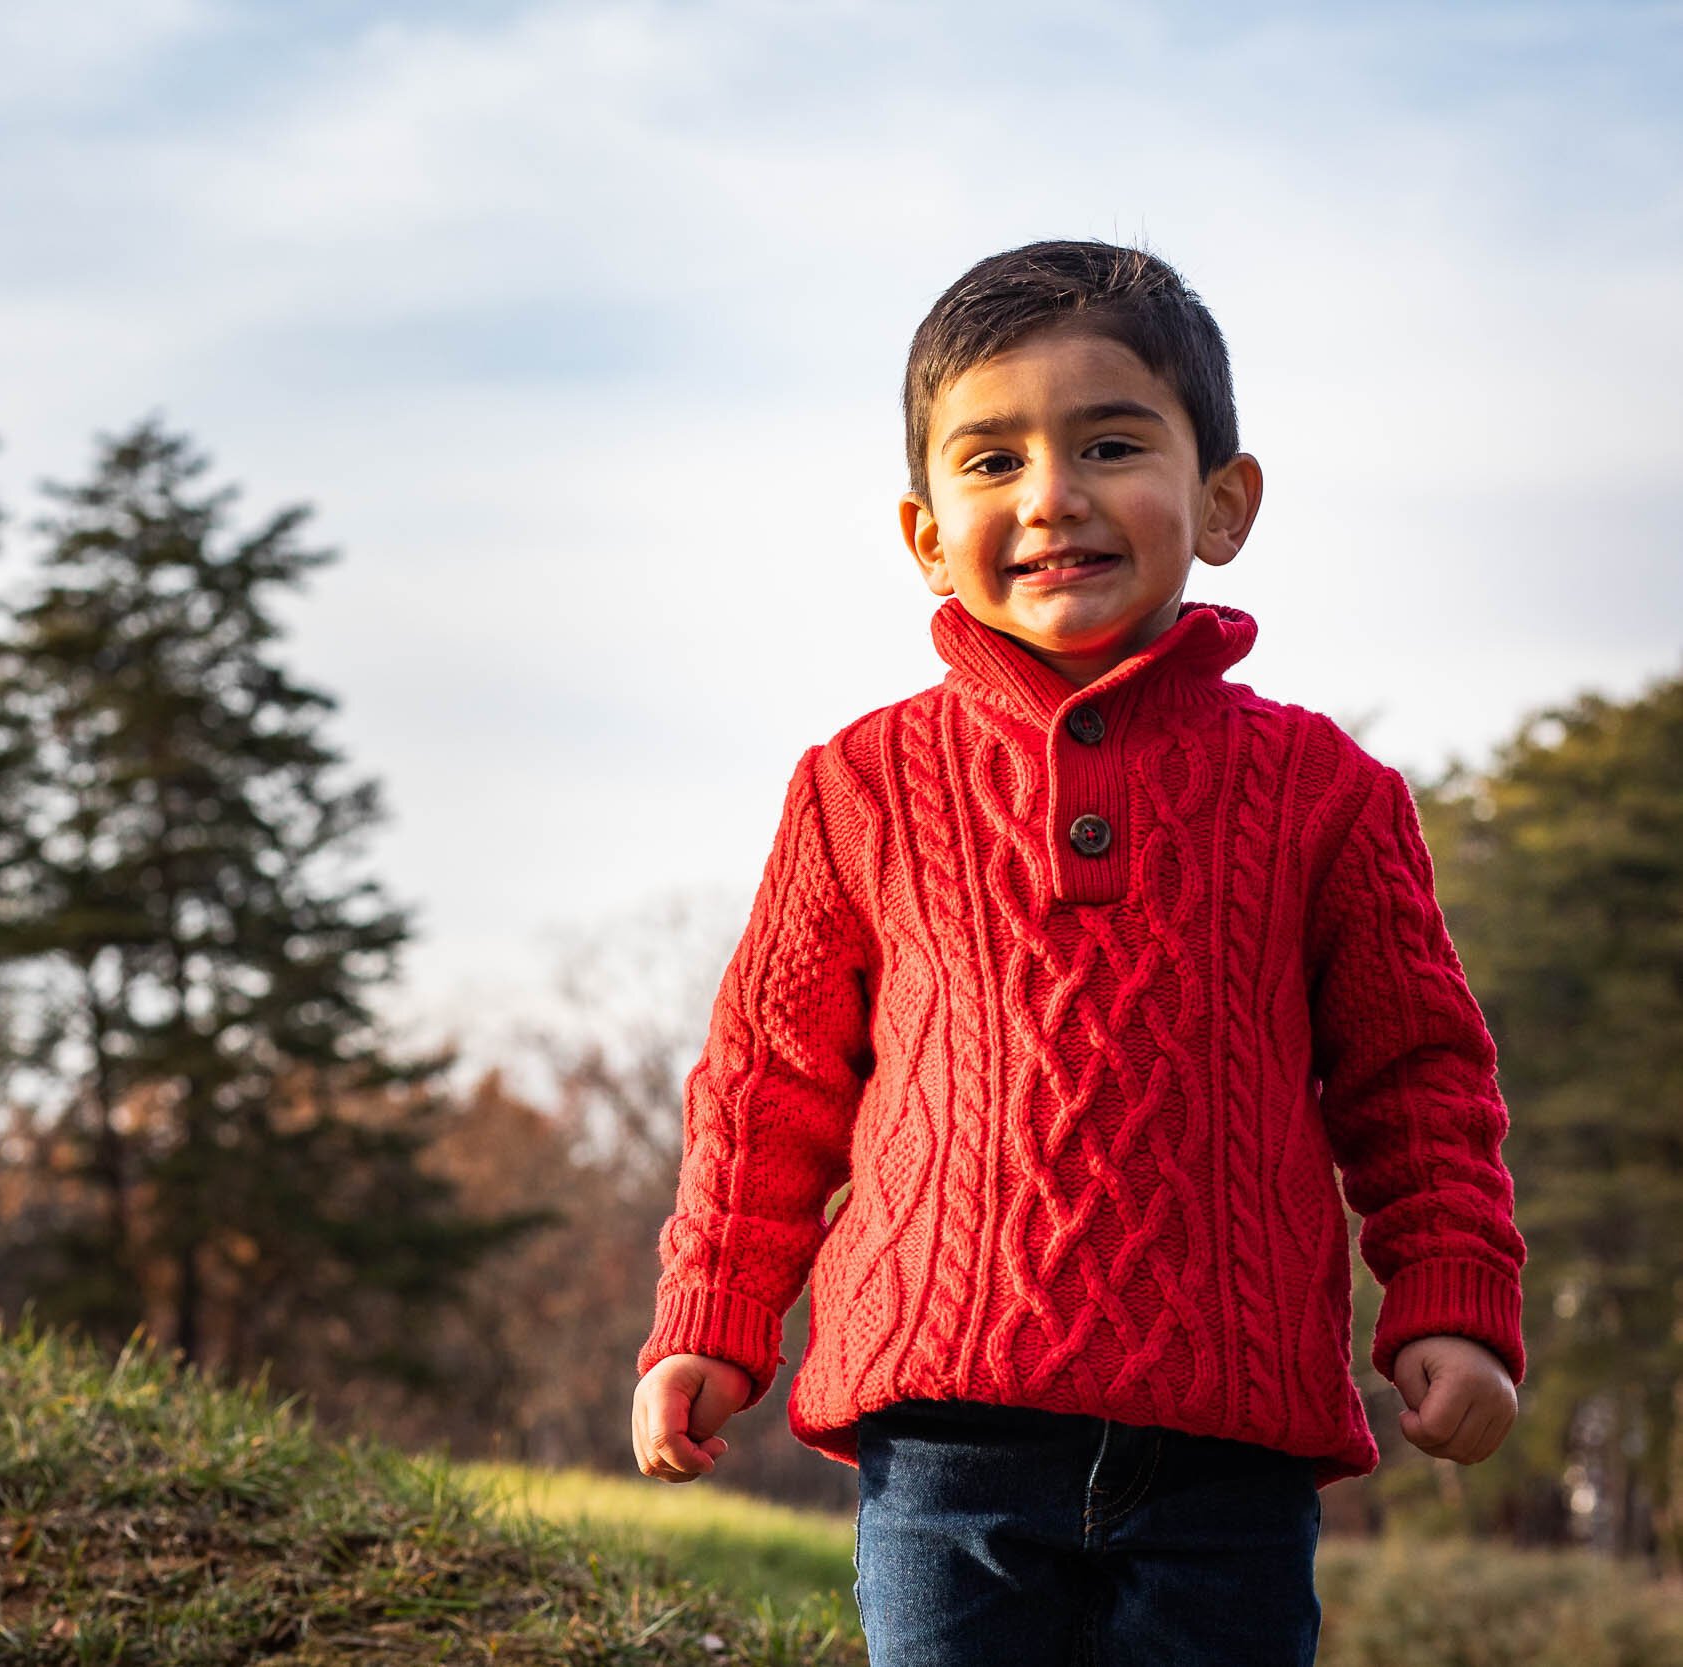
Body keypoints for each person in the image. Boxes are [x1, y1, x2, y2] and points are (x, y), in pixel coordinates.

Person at [628, 238, 1526, 1665]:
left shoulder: (1326, 793)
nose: (1051, 497)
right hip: (947, 1443)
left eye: (1110, 443)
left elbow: (1419, 1081)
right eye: (991, 461)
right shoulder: (857, 786)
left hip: (1230, 1451)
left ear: (1223, 502)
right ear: (925, 533)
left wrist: (1455, 1303)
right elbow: (766, 1083)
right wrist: (713, 1317)